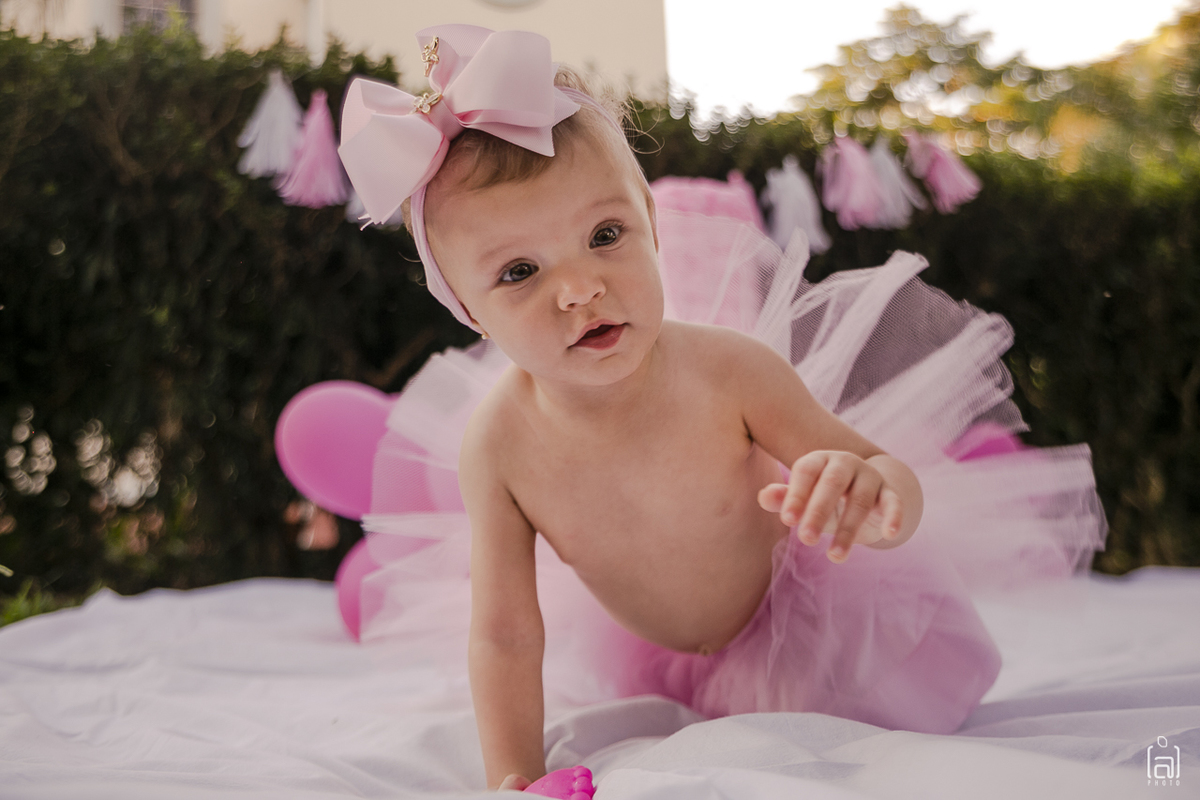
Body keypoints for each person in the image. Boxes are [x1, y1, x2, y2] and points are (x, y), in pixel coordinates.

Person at [331, 24, 1107, 791]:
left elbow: (884, 478)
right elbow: (504, 633)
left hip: (807, 621)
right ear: (467, 309)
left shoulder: (730, 372)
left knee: (864, 753)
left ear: (652, 224)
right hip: (664, 653)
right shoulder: (499, 446)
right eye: (519, 272)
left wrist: (870, 497)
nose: (580, 288)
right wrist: (514, 777)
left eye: (606, 234)